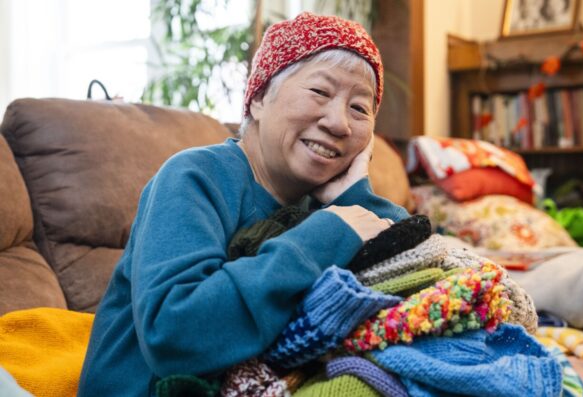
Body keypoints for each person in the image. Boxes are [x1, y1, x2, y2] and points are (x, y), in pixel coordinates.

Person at [77, 12, 408, 396]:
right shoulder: (193, 177)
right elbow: (175, 335)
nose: (339, 123)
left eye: (360, 109)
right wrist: (326, 233)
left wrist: (353, 198)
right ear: (260, 98)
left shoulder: (323, 203)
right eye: (320, 92)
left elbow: (413, 255)